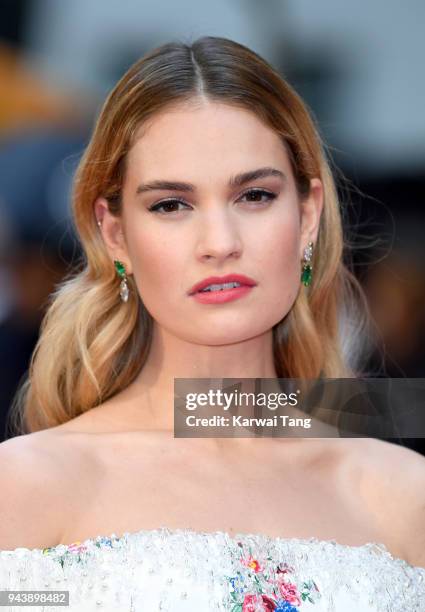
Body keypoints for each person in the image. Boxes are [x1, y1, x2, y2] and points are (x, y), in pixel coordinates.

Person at [0, 36, 424, 611]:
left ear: (307, 215)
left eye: (253, 195)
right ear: (115, 233)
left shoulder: (402, 496)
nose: (220, 244)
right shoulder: (25, 486)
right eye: (171, 205)